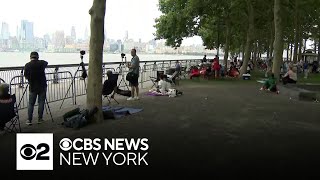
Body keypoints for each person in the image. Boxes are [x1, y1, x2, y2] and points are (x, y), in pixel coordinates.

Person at [24, 52, 48, 125]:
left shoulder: (27, 65)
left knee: (31, 104)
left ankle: (29, 120)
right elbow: (46, 62)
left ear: (30, 57)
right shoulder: (41, 63)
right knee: (41, 103)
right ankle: (40, 119)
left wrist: (30, 79)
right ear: (37, 57)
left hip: (32, 87)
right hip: (42, 86)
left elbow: (26, 76)